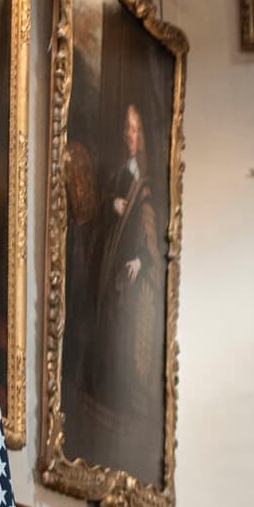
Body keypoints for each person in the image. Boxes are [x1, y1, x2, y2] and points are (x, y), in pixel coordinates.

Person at [93, 103, 164, 400]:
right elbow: (106, 200)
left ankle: (123, 391)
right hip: (113, 257)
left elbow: (150, 231)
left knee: (126, 325)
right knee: (109, 321)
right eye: (127, 128)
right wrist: (111, 204)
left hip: (132, 264)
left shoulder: (144, 181)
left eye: (135, 129)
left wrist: (139, 259)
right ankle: (107, 386)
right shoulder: (120, 171)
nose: (130, 135)